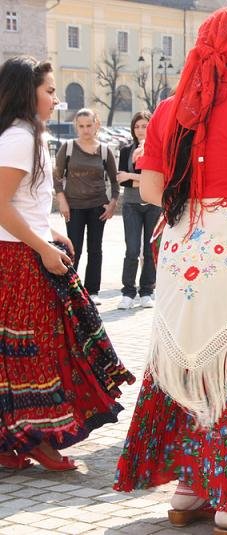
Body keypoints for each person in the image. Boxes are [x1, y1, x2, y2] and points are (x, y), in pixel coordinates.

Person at [113, 7, 227, 534]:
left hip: (179, 256)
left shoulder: (171, 108)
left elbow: (149, 190)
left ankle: (187, 490)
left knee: (186, 366)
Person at [0, 57, 135, 471]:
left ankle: (14, 442)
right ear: (28, 93)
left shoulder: (30, 135)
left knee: (29, 348)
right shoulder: (19, 138)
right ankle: (36, 439)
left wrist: (50, 233)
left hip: (26, 249)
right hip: (18, 257)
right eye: (49, 90)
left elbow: (23, 202)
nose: (56, 98)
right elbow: (1, 206)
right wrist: (42, 246)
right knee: (35, 348)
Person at [53, 108, 119, 304]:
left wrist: (113, 203)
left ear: (96, 125)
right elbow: (57, 177)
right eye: (81, 126)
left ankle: (93, 291)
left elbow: (115, 182)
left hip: (98, 206)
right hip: (74, 207)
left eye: (89, 125)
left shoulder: (105, 151)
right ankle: (71, 289)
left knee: (95, 249)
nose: (85, 130)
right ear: (76, 126)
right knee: (74, 249)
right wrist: (62, 201)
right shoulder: (68, 147)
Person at [117, 111, 158, 310]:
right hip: (132, 205)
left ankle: (147, 291)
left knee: (150, 250)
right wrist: (138, 179)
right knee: (132, 249)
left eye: (144, 126)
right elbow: (120, 178)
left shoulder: (157, 149)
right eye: (137, 127)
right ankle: (128, 292)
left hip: (153, 204)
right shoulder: (126, 150)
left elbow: (158, 179)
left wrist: (131, 176)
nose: (140, 130)